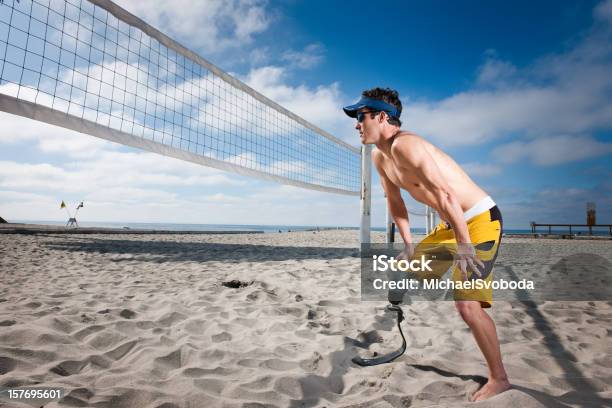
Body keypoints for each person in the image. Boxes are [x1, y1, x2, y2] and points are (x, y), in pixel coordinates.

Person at [344, 87, 511, 401]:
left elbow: (447, 195)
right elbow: (395, 201)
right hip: (450, 223)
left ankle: (499, 378)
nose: (356, 123)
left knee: (467, 306)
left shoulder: (408, 145)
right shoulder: (380, 157)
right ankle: (403, 307)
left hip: (478, 221)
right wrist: (408, 244)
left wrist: (464, 245)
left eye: (360, 116)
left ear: (381, 116)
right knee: (399, 269)